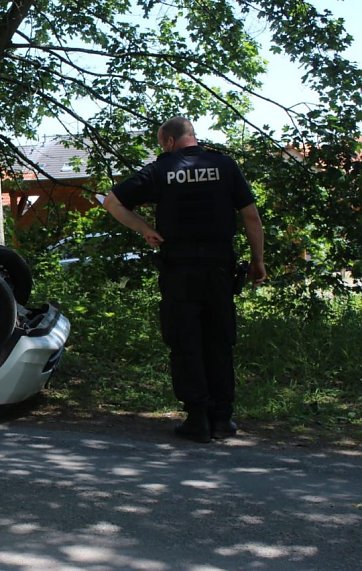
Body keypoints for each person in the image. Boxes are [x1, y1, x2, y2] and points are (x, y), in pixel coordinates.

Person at [102, 116, 266, 443]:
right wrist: (258, 261)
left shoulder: (160, 170)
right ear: (193, 136)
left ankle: (198, 419)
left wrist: (145, 229)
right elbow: (250, 216)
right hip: (219, 269)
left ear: (169, 142)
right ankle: (223, 418)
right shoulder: (223, 164)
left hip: (180, 271)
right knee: (219, 339)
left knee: (185, 339)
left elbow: (112, 201)